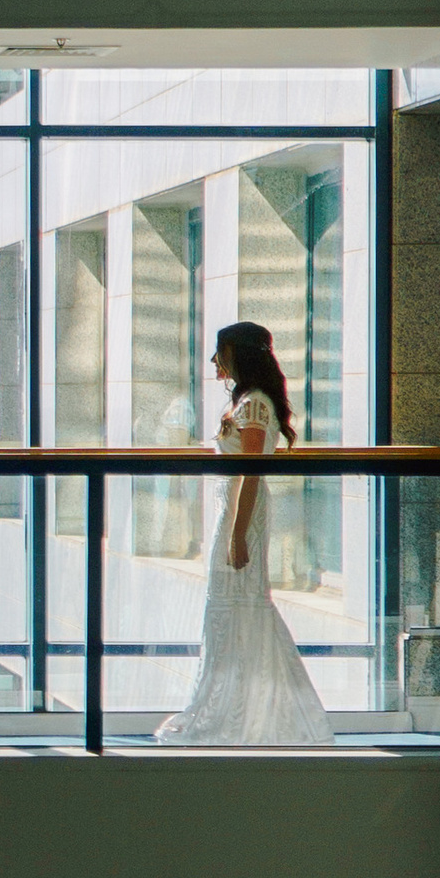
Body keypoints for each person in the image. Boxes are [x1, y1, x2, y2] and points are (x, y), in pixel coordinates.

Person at [154, 320, 334, 748]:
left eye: (222, 352)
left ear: (239, 354)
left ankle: (250, 711)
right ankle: (243, 706)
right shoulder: (251, 401)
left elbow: (250, 472)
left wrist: (237, 533)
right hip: (233, 509)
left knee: (241, 602)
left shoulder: (253, 404)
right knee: (236, 604)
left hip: (241, 512)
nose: (216, 362)